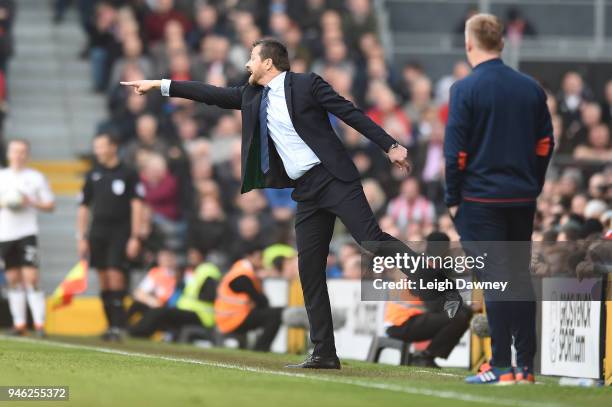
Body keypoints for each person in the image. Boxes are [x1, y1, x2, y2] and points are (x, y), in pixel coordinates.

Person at [120, 38, 460, 369]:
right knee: (309, 268)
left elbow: (348, 112)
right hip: (307, 190)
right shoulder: (252, 96)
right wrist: (160, 84)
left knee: (370, 238)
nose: (247, 64)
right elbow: (210, 94)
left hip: (334, 177)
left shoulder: (306, 84)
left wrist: (390, 146)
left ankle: (441, 284)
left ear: (268, 62)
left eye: (252, 57)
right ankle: (324, 352)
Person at [444, 14, 554, 384]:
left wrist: (452, 197)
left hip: (480, 200)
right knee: (517, 279)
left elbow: (455, 152)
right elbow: (545, 144)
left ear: (469, 43)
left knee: (495, 281)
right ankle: (525, 367)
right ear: (502, 43)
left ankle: (501, 365)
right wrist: (532, 185)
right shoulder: (531, 88)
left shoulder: (464, 89)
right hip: (521, 198)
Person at [77, 132, 145, 341]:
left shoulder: (129, 173)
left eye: (101, 146)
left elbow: (137, 204)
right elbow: (83, 206)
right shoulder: (92, 174)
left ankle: (118, 326)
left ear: (113, 147)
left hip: (121, 231)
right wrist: (81, 236)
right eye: (96, 147)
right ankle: (111, 327)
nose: (98, 151)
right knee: (104, 278)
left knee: (116, 275)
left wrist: (135, 236)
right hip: (98, 231)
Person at [384, 233, 472, 368]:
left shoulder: (428, 265)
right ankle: (425, 357)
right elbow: (433, 304)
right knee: (459, 316)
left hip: (401, 321)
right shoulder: (425, 268)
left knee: (461, 313)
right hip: (401, 324)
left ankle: (425, 356)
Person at [0, 139, 55, 336]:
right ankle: (20, 324)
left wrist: (29, 201)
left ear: (28, 155)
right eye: (15, 151)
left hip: (27, 233)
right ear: (8, 153)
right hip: (5, 234)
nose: (19, 155)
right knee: (13, 278)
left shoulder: (36, 177)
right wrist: (5, 202)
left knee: (31, 277)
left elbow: (50, 205)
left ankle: (40, 324)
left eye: (23, 151)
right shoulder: (2, 176)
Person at [215, 244, 282, 352]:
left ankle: (259, 348)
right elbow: (262, 301)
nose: (262, 261)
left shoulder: (239, 270)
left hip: (228, 318)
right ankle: (260, 349)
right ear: (249, 257)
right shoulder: (243, 275)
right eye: (259, 257)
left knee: (272, 313)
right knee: (277, 314)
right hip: (233, 319)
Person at [129, 261, 220, 339]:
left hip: (200, 315)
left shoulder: (205, 272)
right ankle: (128, 329)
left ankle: (135, 333)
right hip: (186, 310)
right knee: (141, 306)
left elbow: (210, 296)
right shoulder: (193, 274)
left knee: (159, 312)